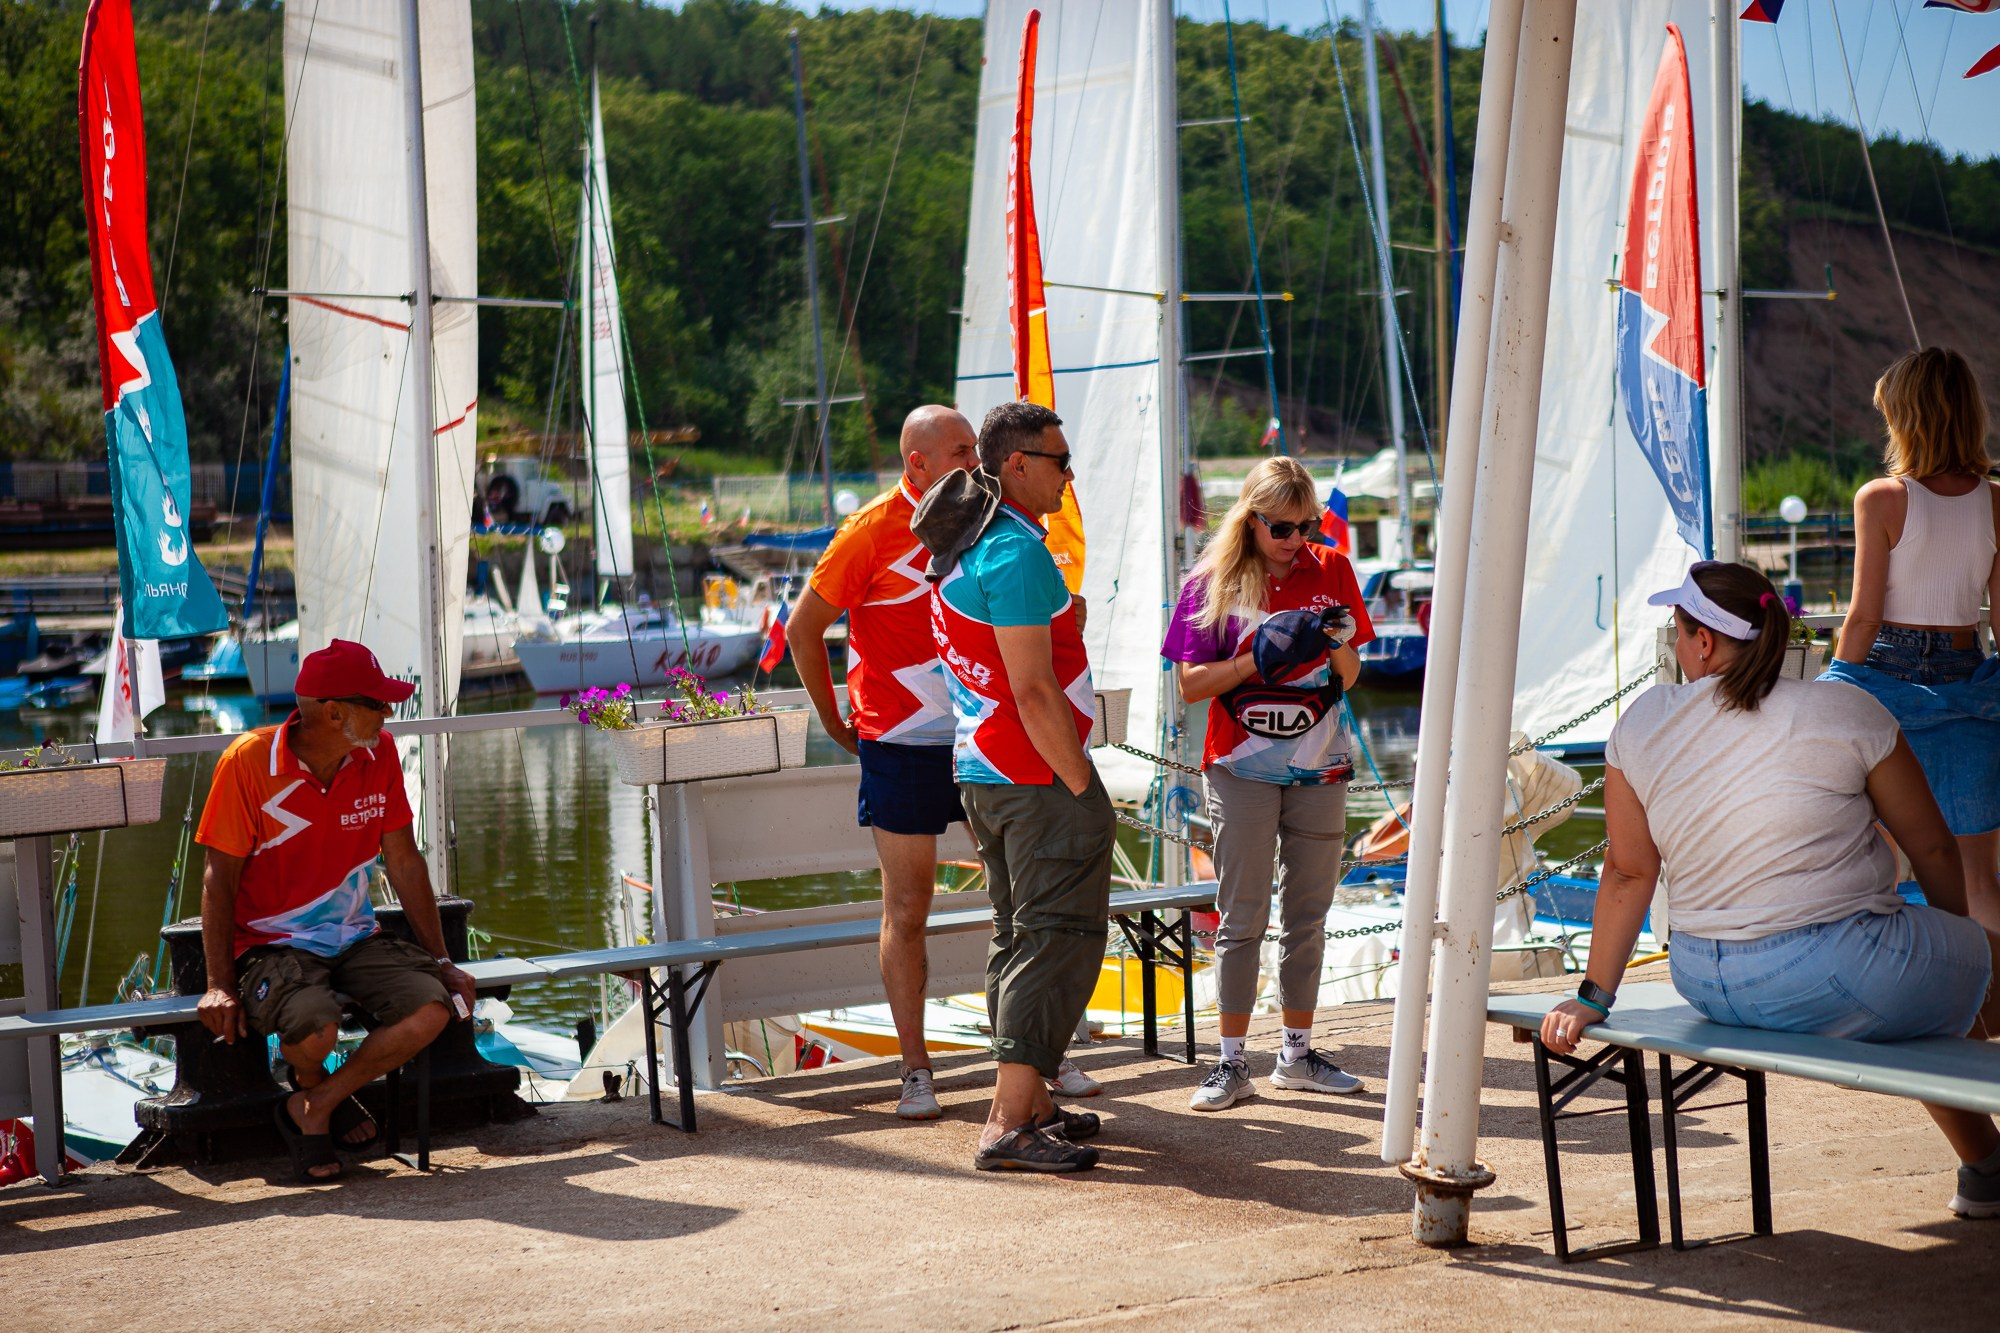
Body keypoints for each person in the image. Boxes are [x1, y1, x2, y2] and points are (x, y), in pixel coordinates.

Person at [1542, 561, 2000, 1220]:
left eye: (1679, 630)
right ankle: (1986, 1163)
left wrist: (1593, 996)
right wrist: (1960, 944)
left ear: (1704, 643)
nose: (1678, 646)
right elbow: (1931, 846)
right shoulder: (1842, 708)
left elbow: (1628, 871)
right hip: (1838, 967)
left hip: (1703, 973)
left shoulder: (1641, 723)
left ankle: (1987, 1164)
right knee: (1959, 972)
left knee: (1910, 987)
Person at [913, 400, 1115, 1172]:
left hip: (982, 767)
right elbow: (1032, 692)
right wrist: (1080, 781)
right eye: (1060, 462)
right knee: (1056, 937)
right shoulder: (1018, 553)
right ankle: (1007, 1118)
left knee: (1017, 932)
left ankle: (1031, 1101)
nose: (1070, 476)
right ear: (1019, 465)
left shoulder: (968, 551)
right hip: (1032, 775)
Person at [194, 639, 476, 1183]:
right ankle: (318, 1092)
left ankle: (316, 1102)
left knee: (433, 1008)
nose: (388, 713)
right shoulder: (247, 764)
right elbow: (218, 880)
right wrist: (219, 984)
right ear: (334, 711)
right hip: (270, 945)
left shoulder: (381, 753)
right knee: (314, 1029)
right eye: (377, 703)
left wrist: (441, 960)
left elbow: (405, 860)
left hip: (353, 938)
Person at [1160, 455, 1375, 1111]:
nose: (1295, 540)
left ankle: (1297, 1054)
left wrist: (1333, 637)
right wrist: (1260, 653)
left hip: (1321, 763)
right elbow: (1190, 685)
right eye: (1281, 528)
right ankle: (1230, 1064)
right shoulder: (1212, 580)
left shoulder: (1331, 568)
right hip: (1240, 765)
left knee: (1308, 916)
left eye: (1305, 526)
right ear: (1249, 521)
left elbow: (1353, 671)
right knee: (1242, 917)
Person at [789, 406, 979, 1121]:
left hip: (980, 733)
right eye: (963, 449)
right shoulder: (869, 530)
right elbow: (805, 628)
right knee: (909, 906)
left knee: (1021, 892)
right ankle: (915, 1068)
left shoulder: (983, 516)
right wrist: (835, 721)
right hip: (898, 741)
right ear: (918, 463)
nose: (976, 459)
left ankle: (1039, 1052)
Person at [1830, 347, 2000, 933]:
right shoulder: (1997, 502)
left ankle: (1902, 987)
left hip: (1885, 684)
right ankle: (1992, 1009)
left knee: (1875, 860)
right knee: (1978, 875)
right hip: (1969, 678)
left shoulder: (1881, 499)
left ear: (1908, 419)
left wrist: (1831, 692)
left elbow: (1864, 617)